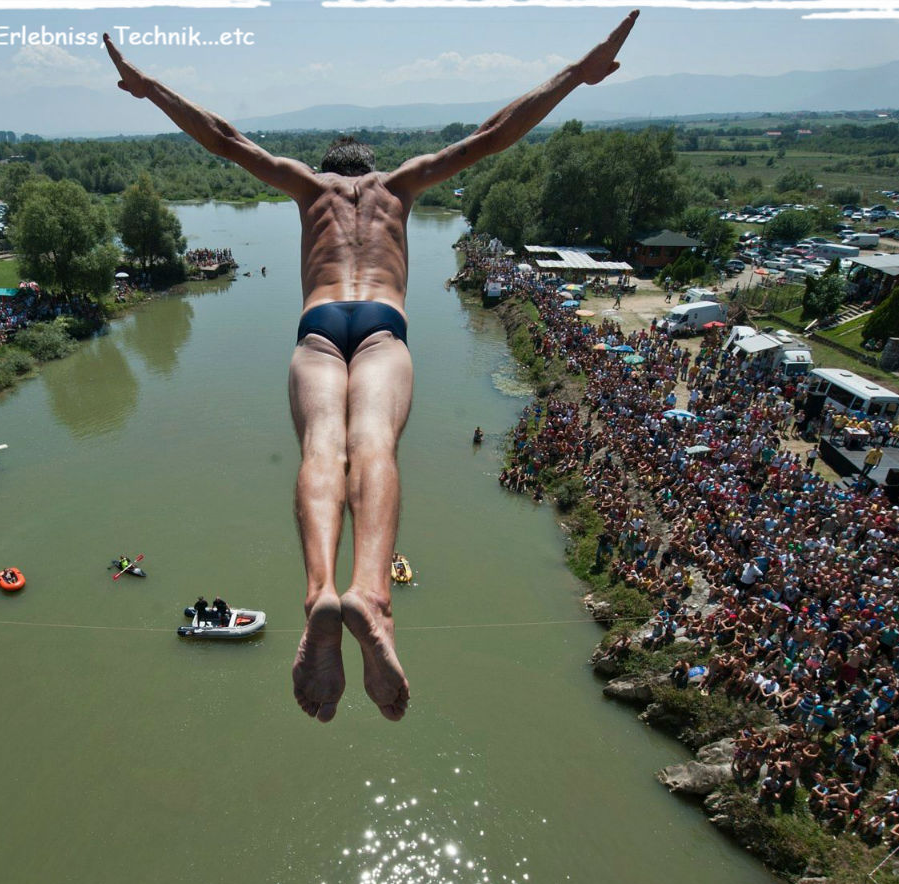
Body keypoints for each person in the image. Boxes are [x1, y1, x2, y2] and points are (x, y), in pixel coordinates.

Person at [105, 11, 641, 723]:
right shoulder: (402, 186)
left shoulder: (308, 188)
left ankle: (319, 590)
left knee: (321, 448)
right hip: (384, 329)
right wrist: (577, 73)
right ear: (371, 168)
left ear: (329, 169)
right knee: (373, 446)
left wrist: (151, 88)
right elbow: (494, 134)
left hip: (319, 328)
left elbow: (226, 139)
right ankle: (371, 598)